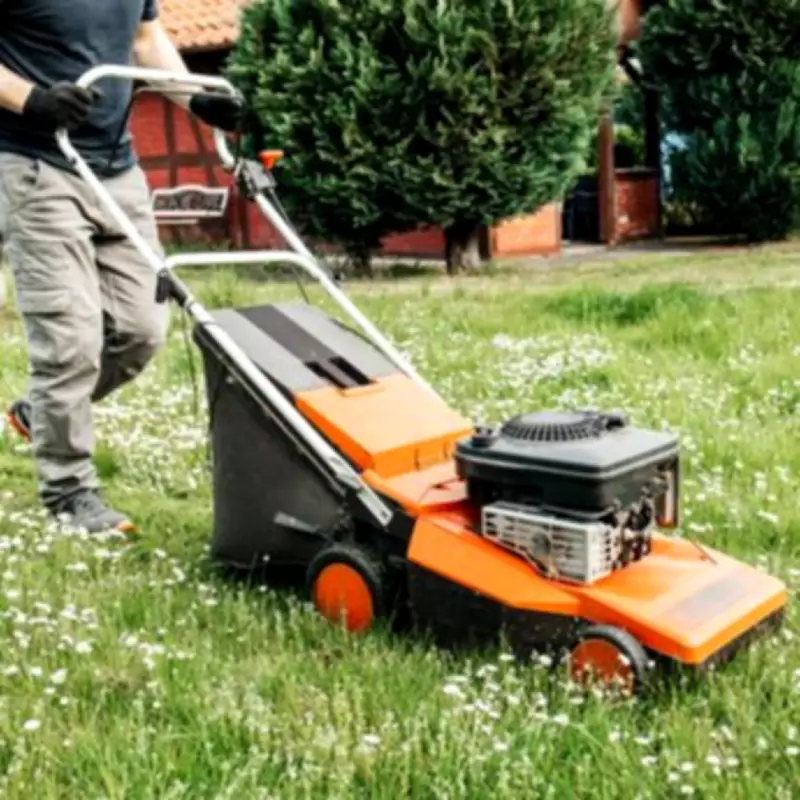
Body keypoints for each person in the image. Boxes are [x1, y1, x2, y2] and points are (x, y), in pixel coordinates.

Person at [0, 1, 242, 534]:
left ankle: (43, 416)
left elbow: (144, 42)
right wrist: (31, 100)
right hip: (39, 167)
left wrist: (197, 99)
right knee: (69, 343)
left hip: (117, 169)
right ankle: (69, 492)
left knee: (141, 331)